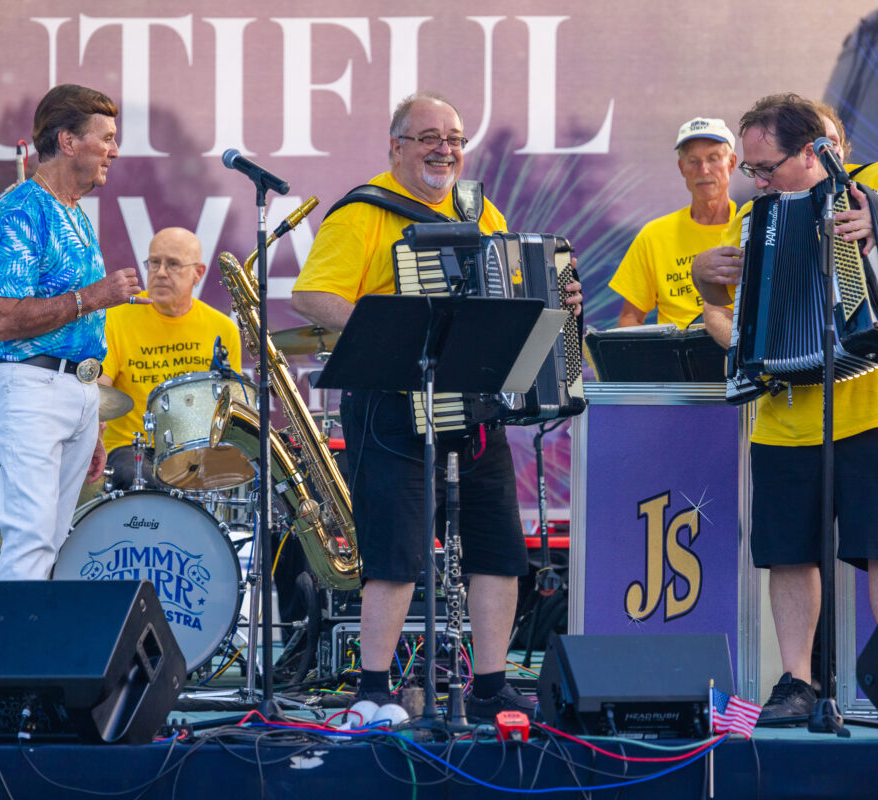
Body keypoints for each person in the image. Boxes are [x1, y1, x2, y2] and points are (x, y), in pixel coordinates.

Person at [289, 91, 583, 721]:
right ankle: (373, 690)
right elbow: (312, 296)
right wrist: (403, 335)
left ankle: (489, 686)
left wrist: (556, 298)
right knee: (395, 552)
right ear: (396, 146)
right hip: (393, 404)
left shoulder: (480, 210)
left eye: (453, 137)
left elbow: (516, 285)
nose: (444, 149)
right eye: (428, 137)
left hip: (473, 406)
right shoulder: (362, 213)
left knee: (499, 548)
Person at [691, 93, 878, 722]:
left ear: (817, 149)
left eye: (768, 167)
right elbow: (726, 307)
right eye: (754, 171)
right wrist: (706, 273)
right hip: (787, 407)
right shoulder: (758, 215)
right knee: (788, 550)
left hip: (876, 401)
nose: (758, 181)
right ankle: (796, 683)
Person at [0, 84, 147, 580]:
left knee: (50, 544)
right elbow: (2, 319)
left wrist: (88, 415)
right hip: (29, 389)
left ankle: (29, 655)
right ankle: (12, 659)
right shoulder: (21, 208)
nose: (114, 150)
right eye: (107, 137)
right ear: (68, 141)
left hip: (72, 393)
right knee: (30, 542)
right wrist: (94, 297)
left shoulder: (73, 212)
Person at [98, 227, 242, 490]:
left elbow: (230, 405)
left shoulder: (223, 329)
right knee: (148, 481)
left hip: (198, 449)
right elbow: (98, 394)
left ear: (198, 273)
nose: (160, 272)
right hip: (132, 447)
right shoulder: (115, 318)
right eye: (154, 262)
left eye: (173, 264)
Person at [609, 117, 737, 328]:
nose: (703, 170)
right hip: (673, 356)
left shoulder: (751, 228)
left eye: (713, 158)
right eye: (693, 161)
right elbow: (630, 318)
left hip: (732, 351)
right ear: (681, 167)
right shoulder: (654, 235)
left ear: (731, 163)